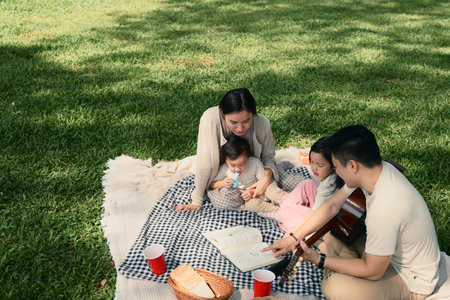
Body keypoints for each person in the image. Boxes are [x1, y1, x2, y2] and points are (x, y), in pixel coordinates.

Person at [263, 125, 440, 300]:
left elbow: (373, 271)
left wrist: (320, 260)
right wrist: (292, 237)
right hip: (389, 255)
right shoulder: (379, 169)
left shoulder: (384, 208)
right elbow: (332, 205)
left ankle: (345, 277)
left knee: (333, 287)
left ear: (353, 165)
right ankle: (347, 273)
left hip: (411, 280)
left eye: (337, 167)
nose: (336, 172)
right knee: (334, 237)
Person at [176, 88, 281, 213]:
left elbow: (268, 157)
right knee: (222, 199)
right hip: (228, 181)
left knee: (283, 186)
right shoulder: (210, 119)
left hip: (257, 173)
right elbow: (205, 163)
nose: (240, 128)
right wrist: (196, 200)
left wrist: (266, 179)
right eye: (233, 122)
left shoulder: (262, 123)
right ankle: (260, 204)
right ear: (223, 114)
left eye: (247, 121)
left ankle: (283, 202)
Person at [277, 136, 344, 232]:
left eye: (320, 165)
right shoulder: (331, 176)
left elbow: (315, 216)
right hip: (322, 207)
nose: (314, 168)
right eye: (311, 162)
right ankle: (282, 208)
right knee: (308, 183)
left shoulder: (328, 186)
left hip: (324, 220)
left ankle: (283, 215)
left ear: (334, 165)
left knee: (289, 210)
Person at [207, 135, 286, 213]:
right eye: (232, 165)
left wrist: (252, 191)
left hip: (263, 188)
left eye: (241, 165)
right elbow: (212, 184)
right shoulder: (225, 169)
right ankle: (279, 211)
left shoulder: (254, 164)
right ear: (226, 161)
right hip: (251, 196)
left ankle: (290, 201)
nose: (237, 169)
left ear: (248, 158)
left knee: (273, 192)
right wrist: (222, 183)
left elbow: (264, 182)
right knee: (251, 206)